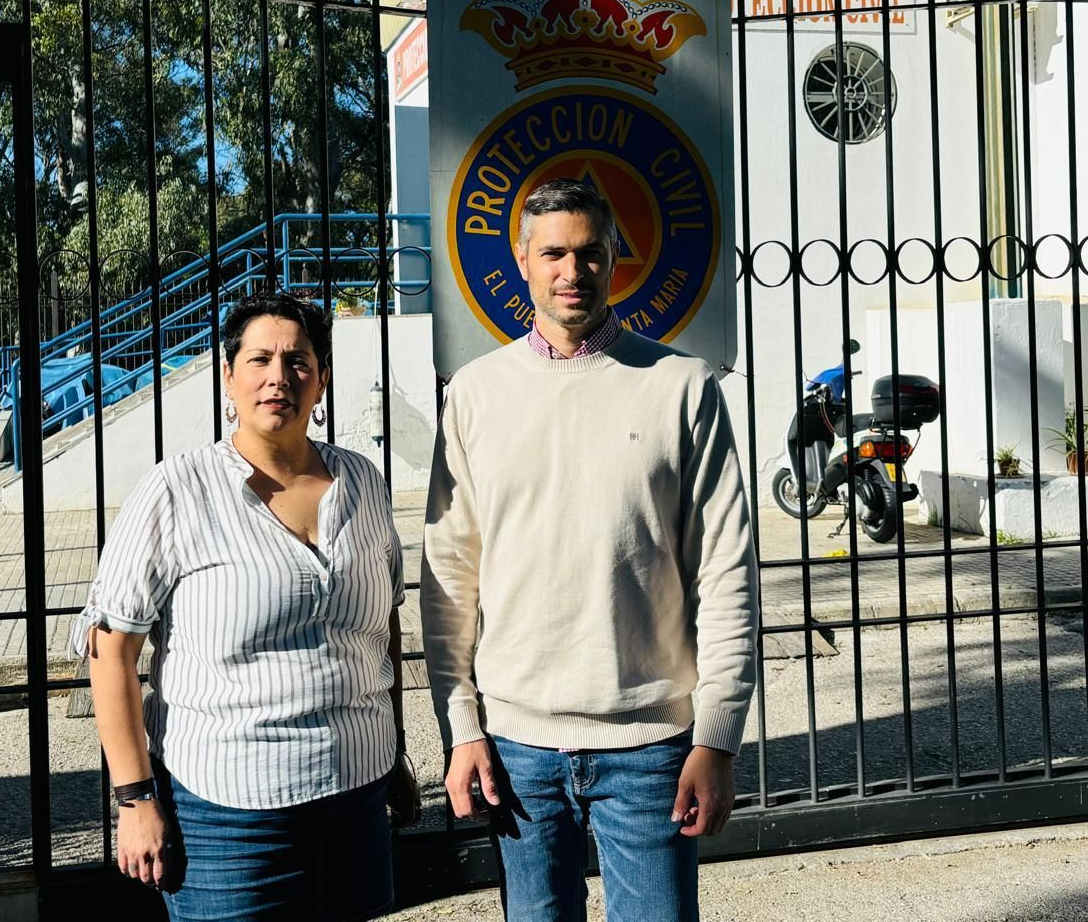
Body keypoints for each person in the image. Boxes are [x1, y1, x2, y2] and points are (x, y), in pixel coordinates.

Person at [421, 178, 758, 921]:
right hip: (515, 748)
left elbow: (727, 573)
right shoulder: (474, 394)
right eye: (553, 254)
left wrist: (719, 737)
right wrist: (461, 727)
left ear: (615, 259)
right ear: (521, 260)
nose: (572, 272)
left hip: (651, 745)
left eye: (590, 253)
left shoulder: (683, 387)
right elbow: (450, 578)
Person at [74, 291, 420, 921]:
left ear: (321, 380)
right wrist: (134, 799)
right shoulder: (177, 491)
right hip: (230, 815)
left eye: (297, 360)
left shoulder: (364, 482)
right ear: (228, 376)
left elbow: (385, 628)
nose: (278, 377)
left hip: (357, 795)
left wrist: (394, 749)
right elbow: (110, 650)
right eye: (259, 360)